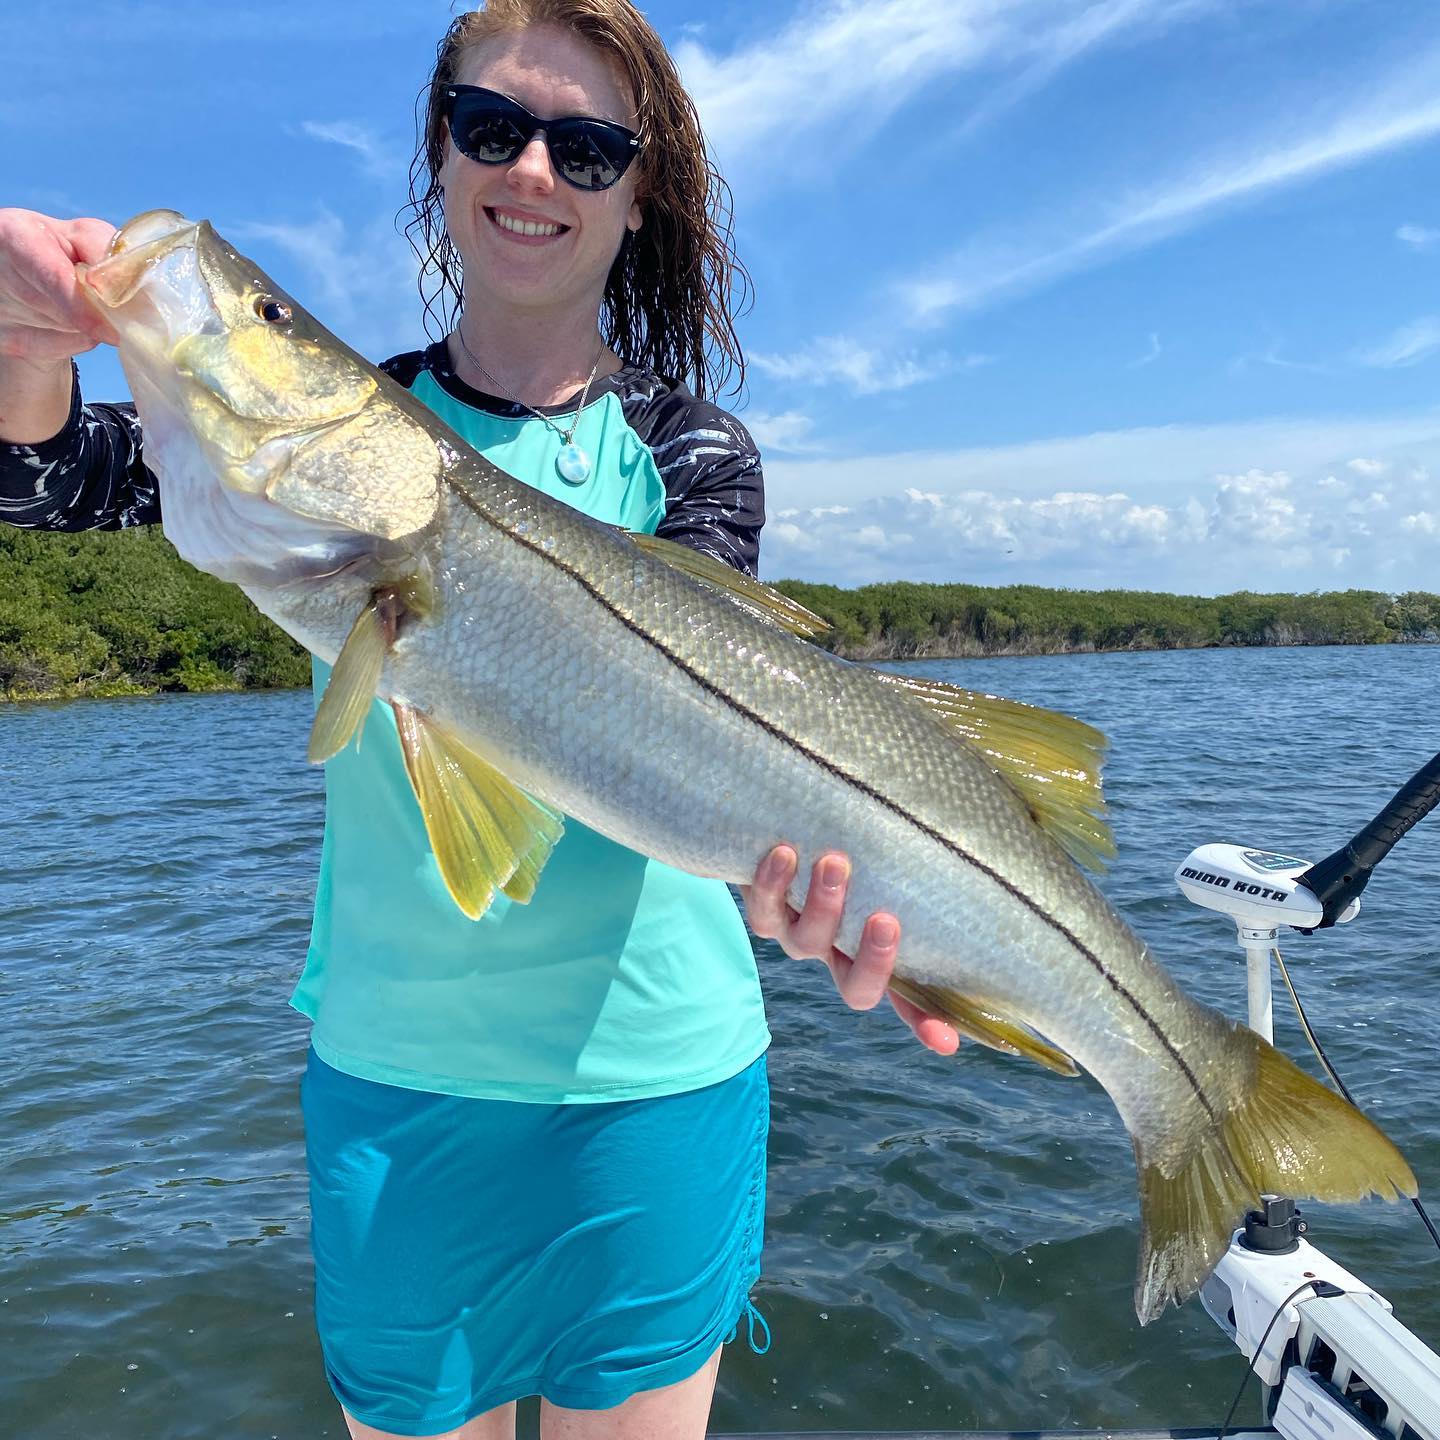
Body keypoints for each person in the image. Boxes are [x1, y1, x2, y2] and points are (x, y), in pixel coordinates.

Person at [0, 3, 957, 1436]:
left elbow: (705, 739)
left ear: (642, 196)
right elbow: (41, 481)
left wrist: (820, 897)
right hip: (398, 1082)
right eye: (490, 128)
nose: (532, 172)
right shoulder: (361, 417)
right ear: (438, 158)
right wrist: (27, 336)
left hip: (660, 1081)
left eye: (587, 147)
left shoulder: (694, 452)